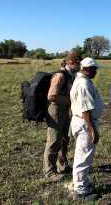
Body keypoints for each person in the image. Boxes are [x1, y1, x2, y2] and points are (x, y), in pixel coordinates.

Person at [43, 51, 82, 181]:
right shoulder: (60, 76)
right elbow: (51, 96)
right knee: (54, 141)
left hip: (65, 110)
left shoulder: (70, 75)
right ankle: (49, 172)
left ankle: (62, 165)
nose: (80, 66)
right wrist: (70, 100)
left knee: (64, 139)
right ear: (70, 63)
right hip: (55, 111)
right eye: (78, 64)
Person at [70, 57, 103, 200]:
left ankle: (83, 183)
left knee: (83, 155)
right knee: (83, 157)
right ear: (87, 69)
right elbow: (85, 110)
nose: (96, 72)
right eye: (94, 69)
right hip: (85, 123)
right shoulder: (83, 84)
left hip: (82, 121)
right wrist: (92, 129)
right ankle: (81, 190)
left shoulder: (81, 81)